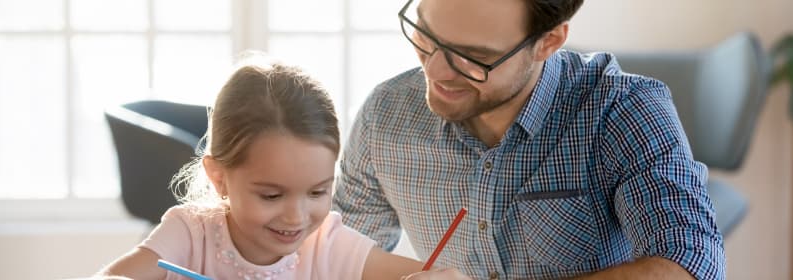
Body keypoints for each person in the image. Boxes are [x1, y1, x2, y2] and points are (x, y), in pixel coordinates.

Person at [332, 0, 724, 279]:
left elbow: (688, 264)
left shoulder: (622, 110)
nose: (434, 70)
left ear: (548, 42)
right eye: (425, 34)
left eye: (471, 55)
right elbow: (337, 258)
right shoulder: (384, 115)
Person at [96, 54, 470, 280]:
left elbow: (415, 274)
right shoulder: (190, 233)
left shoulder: (327, 243)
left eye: (318, 191)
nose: (296, 217)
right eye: (272, 194)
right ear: (219, 177)